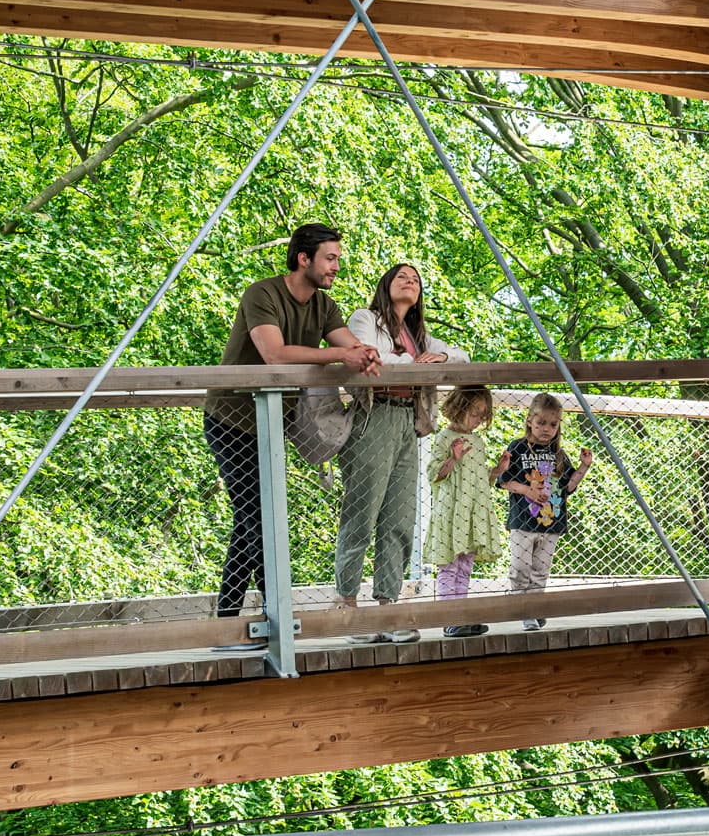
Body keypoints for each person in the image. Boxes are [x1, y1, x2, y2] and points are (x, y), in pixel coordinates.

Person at [203, 222, 378, 654]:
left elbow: (348, 344)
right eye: (330, 258)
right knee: (256, 520)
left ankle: (236, 625)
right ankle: (261, 622)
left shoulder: (325, 306)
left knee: (255, 521)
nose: (338, 266)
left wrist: (366, 354)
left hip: (271, 425)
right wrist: (341, 354)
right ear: (304, 258)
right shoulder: (262, 294)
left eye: (338, 258)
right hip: (231, 419)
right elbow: (274, 353)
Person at [336, 261, 464, 643]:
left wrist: (438, 359)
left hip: (409, 422)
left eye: (416, 279)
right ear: (386, 285)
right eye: (401, 277)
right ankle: (347, 606)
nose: (410, 282)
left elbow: (462, 357)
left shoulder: (419, 334)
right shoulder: (366, 319)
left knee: (399, 516)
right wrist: (415, 365)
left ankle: (388, 606)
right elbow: (372, 357)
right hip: (373, 418)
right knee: (362, 510)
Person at [491, 392, 593, 631]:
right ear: (529, 421)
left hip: (551, 523)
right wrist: (527, 490)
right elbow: (504, 481)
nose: (547, 429)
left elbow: (568, 486)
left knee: (540, 570)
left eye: (553, 424)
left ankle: (533, 610)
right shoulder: (517, 448)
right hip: (523, 521)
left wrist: (584, 467)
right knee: (520, 566)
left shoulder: (559, 454)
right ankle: (522, 607)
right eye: (541, 423)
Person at [422, 386, 502, 639]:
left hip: (472, 511)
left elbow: (480, 480)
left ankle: (462, 616)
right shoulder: (444, 437)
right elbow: (435, 474)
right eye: (475, 413)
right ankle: (450, 619)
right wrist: (453, 458)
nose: (478, 420)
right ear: (459, 407)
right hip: (451, 510)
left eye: (482, 415)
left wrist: (497, 471)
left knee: (465, 565)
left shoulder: (478, 442)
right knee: (449, 564)